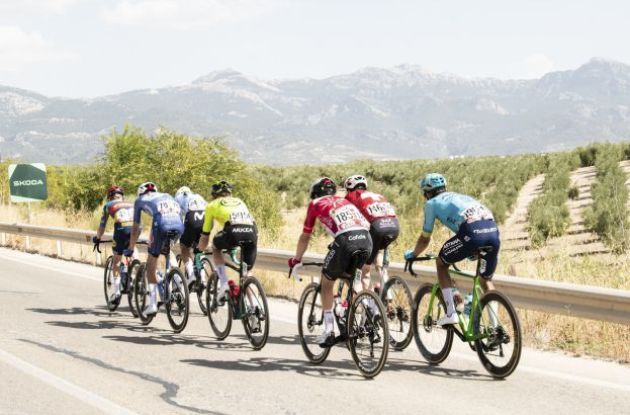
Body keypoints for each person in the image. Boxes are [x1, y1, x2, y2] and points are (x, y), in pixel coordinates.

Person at [404, 173, 499, 325]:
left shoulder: (431, 203)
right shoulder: (461, 197)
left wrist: (413, 254)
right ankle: (496, 328)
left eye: (424, 194)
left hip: (472, 232)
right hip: (492, 231)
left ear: (428, 192)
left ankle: (451, 313)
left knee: (441, 263)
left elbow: (425, 238)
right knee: (485, 280)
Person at [288, 177, 372, 347]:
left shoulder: (315, 204)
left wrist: (296, 259)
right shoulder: (343, 200)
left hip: (346, 241)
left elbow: (306, 236)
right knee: (350, 279)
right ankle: (365, 312)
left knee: (326, 283)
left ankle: (328, 331)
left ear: (315, 193)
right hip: (366, 239)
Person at [124, 182, 184, 316]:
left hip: (161, 225)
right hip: (179, 226)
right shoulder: (167, 195)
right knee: (168, 252)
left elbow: (136, 229)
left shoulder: (139, 200)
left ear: (140, 193)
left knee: (151, 264)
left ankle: (152, 304)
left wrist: (131, 247)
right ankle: (178, 286)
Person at [198, 180, 257, 299]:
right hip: (252, 232)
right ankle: (254, 306)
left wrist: (199, 250)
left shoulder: (211, 205)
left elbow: (205, 235)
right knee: (247, 272)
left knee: (216, 246)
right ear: (230, 193)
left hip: (233, 232)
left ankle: (223, 282)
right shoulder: (240, 201)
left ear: (214, 195)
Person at [344, 174, 399, 291]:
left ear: (349, 188)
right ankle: (387, 293)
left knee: (365, 269)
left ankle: (365, 303)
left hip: (376, 228)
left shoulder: (351, 195)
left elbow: (347, 221)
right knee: (378, 253)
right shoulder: (377, 195)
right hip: (394, 226)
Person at [92, 185, 134, 302]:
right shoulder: (131, 204)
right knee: (132, 250)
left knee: (116, 260)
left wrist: (98, 238)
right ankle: (137, 268)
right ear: (122, 196)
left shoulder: (108, 205)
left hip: (121, 231)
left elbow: (102, 225)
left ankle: (116, 293)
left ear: (110, 197)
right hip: (135, 230)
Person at [174, 186, 208, 287]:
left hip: (192, 217)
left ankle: (191, 275)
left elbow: (178, 219)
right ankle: (203, 277)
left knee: (184, 248)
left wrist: (179, 236)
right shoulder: (198, 196)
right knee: (200, 249)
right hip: (205, 217)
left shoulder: (178, 198)